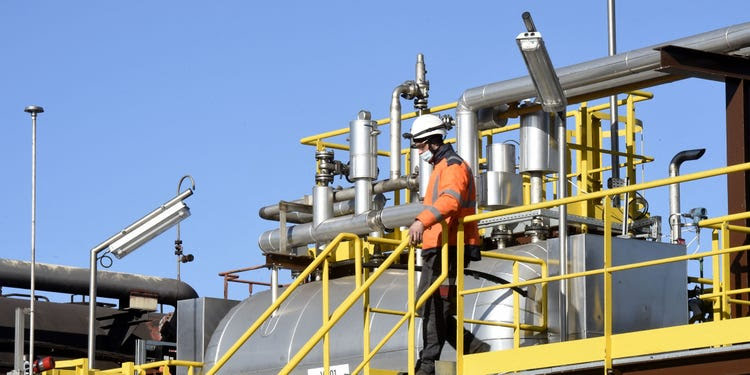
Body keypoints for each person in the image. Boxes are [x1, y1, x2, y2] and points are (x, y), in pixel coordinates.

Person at [404, 114, 489, 375]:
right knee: (428, 304)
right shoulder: (441, 167)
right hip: (438, 247)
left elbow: (450, 202)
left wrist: (421, 221)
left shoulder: (453, 166)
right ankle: (474, 349)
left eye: (419, 144)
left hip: (450, 248)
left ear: (430, 141)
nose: (418, 149)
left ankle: (427, 366)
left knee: (435, 306)